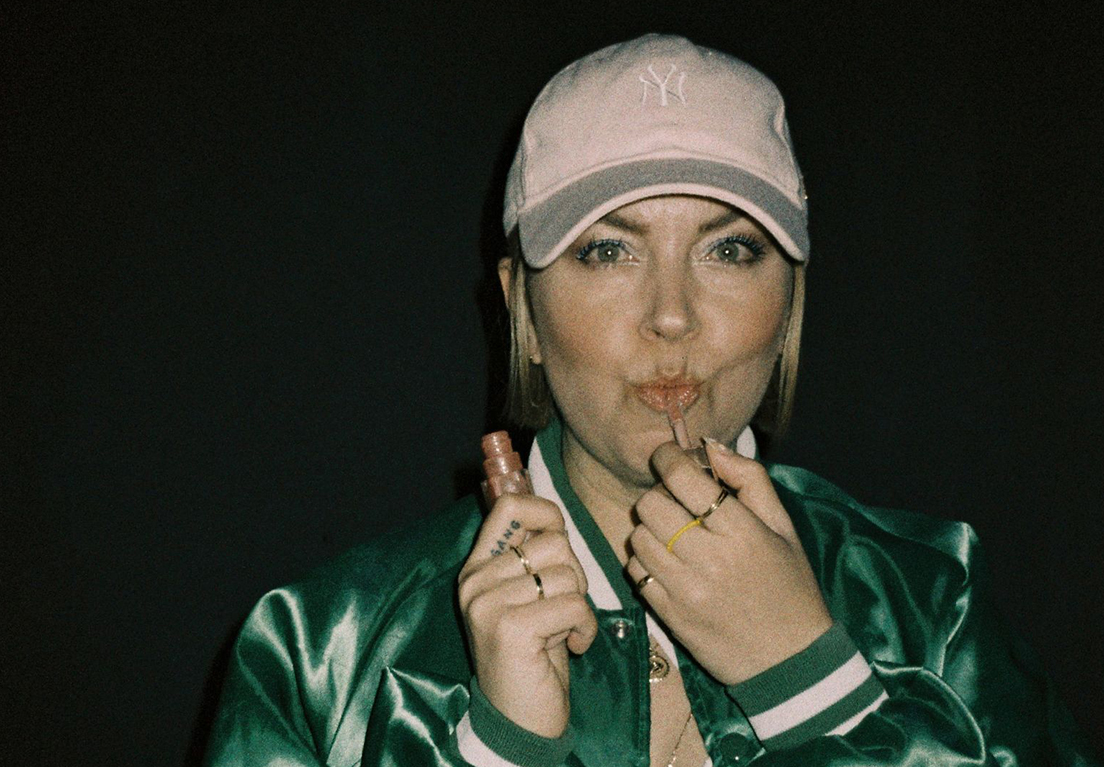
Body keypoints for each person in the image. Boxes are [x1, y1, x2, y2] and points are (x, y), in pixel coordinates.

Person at [203, 34, 1099, 767]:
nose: (671, 315)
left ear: (791, 298)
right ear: (520, 306)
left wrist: (815, 685)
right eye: (608, 250)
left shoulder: (935, 606)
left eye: (730, 250)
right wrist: (500, 749)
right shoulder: (320, 651)